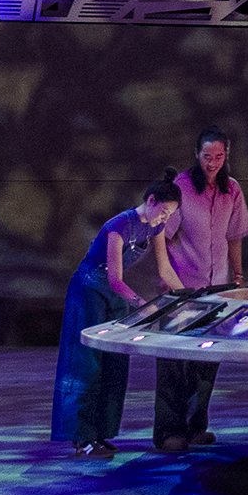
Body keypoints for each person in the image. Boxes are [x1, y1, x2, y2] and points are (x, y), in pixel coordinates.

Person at [53, 183, 177, 460]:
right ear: (151, 200)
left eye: (171, 214)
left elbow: (165, 268)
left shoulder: (155, 227)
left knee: (114, 363)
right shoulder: (119, 225)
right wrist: (141, 306)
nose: (165, 218)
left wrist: (186, 299)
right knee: (87, 363)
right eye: (164, 211)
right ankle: (82, 438)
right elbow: (114, 279)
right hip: (89, 291)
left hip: (115, 297)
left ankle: (100, 433)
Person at [152, 126, 248, 453]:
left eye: (219, 157)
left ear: (227, 156)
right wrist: (169, 280)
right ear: (197, 155)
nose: (213, 163)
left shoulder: (232, 190)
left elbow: (234, 235)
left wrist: (237, 275)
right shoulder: (181, 189)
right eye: (207, 156)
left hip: (217, 289)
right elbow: (162, 236)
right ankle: (169, 431)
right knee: (173, 363)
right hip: (182, 290)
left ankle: (197, 427)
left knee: (207, 361)